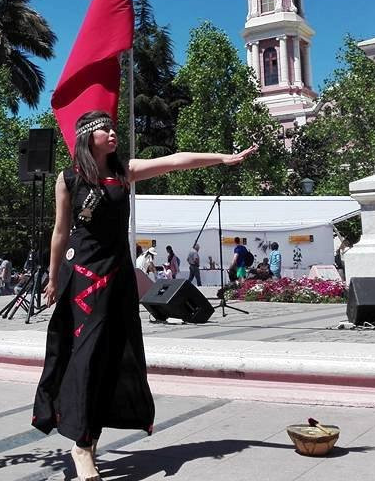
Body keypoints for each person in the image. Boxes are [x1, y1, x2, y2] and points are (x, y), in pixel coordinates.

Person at [32, 110, 257, 480]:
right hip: (84, 280)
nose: (112, 133)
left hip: (117, 278)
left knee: (109, 357)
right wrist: (53, 278)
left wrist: (223, 158)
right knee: (86, 355)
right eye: (105, 129)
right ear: (89, 136)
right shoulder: (68, 178)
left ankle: (90, 434)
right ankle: (82, 445)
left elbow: (174, 162)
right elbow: (59, 232)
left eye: (113, 127)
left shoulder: (125, 171)